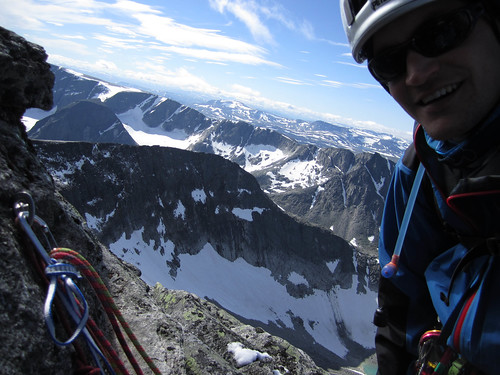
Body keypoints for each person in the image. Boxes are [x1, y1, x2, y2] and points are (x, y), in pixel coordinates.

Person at [341, 0, 500, 374]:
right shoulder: (417, 177)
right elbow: (399, 325)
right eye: (391, 63)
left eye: (442, 32)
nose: (416, 73)